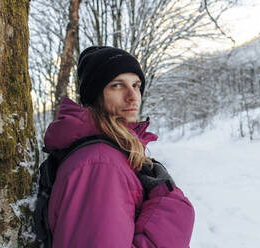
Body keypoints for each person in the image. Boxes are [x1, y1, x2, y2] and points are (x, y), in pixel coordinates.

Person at [44, 46, 194, 247]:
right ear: (96, 96)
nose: (133, 96)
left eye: (136, 85)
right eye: (117, 85)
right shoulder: (100, 163)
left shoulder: (110, 154)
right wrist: (170, 219)